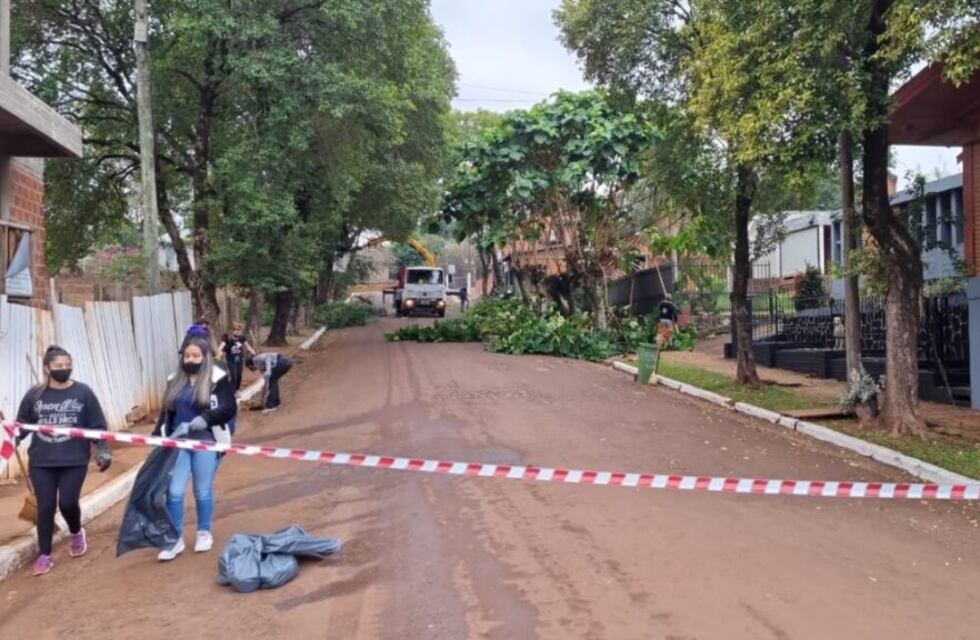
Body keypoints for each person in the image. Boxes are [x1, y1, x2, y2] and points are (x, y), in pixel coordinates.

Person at [15, 346, 112, 576]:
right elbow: (23, 425)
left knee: (67, 503)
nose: (64, 369)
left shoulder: (83, 393)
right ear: (47, 368)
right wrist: (13, 437)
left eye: (67, 365)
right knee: (45, 507)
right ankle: (45, 554)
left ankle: (76, 532)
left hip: (74, 459)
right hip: (41, 461)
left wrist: (103, 449)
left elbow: (97, 424)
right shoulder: (34, 395)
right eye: (58, 366)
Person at [153, 336, 236, 561]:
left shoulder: (217, 379)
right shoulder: (174, 380)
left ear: (205, 357)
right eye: (187, 355)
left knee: (202, 490)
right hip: (178, 443)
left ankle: (203, 532)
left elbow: (228, 408)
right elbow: (166, 413)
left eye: (196, 355)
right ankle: (175, 539)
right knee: (174, 491)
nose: (191, 359)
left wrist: (205, 419)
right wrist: (158, 437)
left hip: (205, 441)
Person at [218, 322, 256, 392]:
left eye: (239, 330)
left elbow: (248, 346)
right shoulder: (227, 338)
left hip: (239, 359)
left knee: (239, 375)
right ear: (232, 330)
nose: (238, 332)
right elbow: (220, 347)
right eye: (236, 330)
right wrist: (218, 353)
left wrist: (254, 353)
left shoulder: (242, 338)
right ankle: (232, 391)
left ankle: (237, 389)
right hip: (230, 359)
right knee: (233, 375)